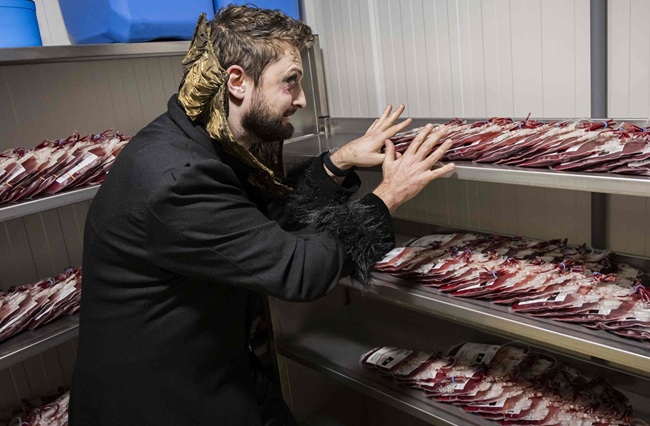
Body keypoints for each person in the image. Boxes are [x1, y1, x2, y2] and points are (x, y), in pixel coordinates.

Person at [68, 5, 455, 426]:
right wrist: (389, 195)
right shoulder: (176, 177)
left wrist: (338, 161)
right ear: (237, 81)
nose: (302, 99)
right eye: (291, 81)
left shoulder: (200, 138)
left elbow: (263, 224)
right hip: (161, 398)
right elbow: (297, 269)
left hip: (213, 362)